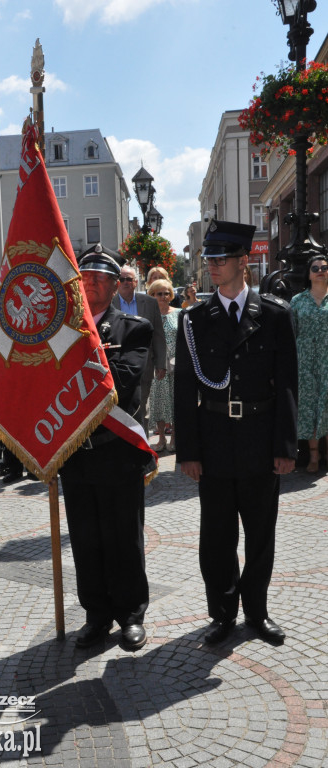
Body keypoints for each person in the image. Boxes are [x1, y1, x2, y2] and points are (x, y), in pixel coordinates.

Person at [174, 220, 297, 646]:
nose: (212, 265)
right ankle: (222, 613)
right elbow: (184, 389)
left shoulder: (276, 316)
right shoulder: (194, 321)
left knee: (261, 533)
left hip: (261, 441)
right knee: (217, 536)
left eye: (220, 258)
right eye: (209, 258)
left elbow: (286, 385)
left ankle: (257, 613)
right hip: (214, 443)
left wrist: (285, 446)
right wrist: (187, 451)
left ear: (244, 261)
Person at [59, 244, 153, 651]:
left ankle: (131, 614)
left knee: (123, 537)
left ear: (116, 285)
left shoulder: (134, 328)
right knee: (85, 537)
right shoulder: (60, 330)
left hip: (117, 450)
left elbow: (123, 383)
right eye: (87, 275)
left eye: (102, 276)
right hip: (75, 453)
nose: (92, 281)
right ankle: (96, 614)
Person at [112, 263, 166, 434]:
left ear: (136, 282)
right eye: (122, 279)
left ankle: (143, 446)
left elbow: (158, 334)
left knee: (141, 407)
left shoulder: (149, 303)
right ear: (117, 282)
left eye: (129, 279)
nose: (125, 282)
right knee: (119, 408)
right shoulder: (109, 302)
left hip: (144, 365)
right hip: (116, 367)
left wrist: (161, 363)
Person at [290, 254, 328, 473]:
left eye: (324, 267)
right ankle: (314, 455)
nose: (320, 270)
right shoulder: (298, 300)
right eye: (315, 268)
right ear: (309, 273)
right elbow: (291, 332)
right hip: (304, 360)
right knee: (309, 406)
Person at [147, 279, 180, 452]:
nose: (164, 296)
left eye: (167, 293)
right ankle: (161, 439)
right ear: (152, 295)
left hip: (176, 364)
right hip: (157, 365)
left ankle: (174, 437)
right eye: (159, 293)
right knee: (158, 403)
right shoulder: (148, 315)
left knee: (175, 401)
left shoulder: (180, 314)